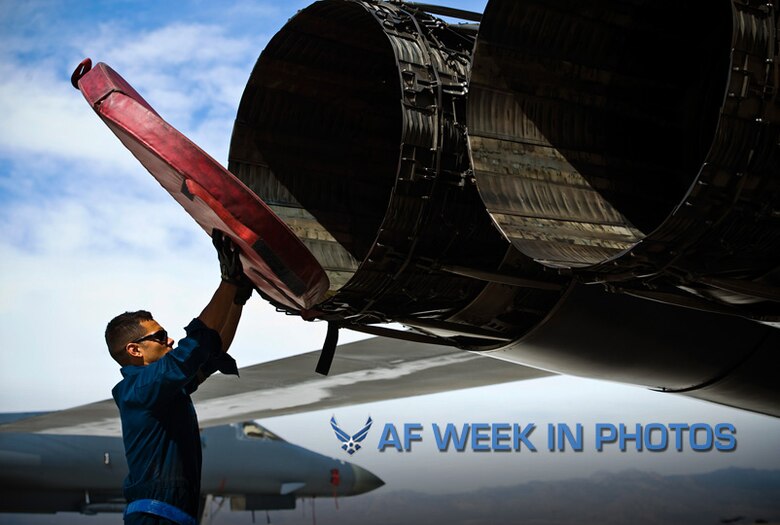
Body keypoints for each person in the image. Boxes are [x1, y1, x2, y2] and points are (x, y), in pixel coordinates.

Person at [104, 231, 253, 525]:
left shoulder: (163, 391)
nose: (169, 339)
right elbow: (192, 346)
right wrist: (228, 281)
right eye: (159, 336)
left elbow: (210, 350)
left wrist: (237, 299)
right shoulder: (139, 389)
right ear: (134, 349)